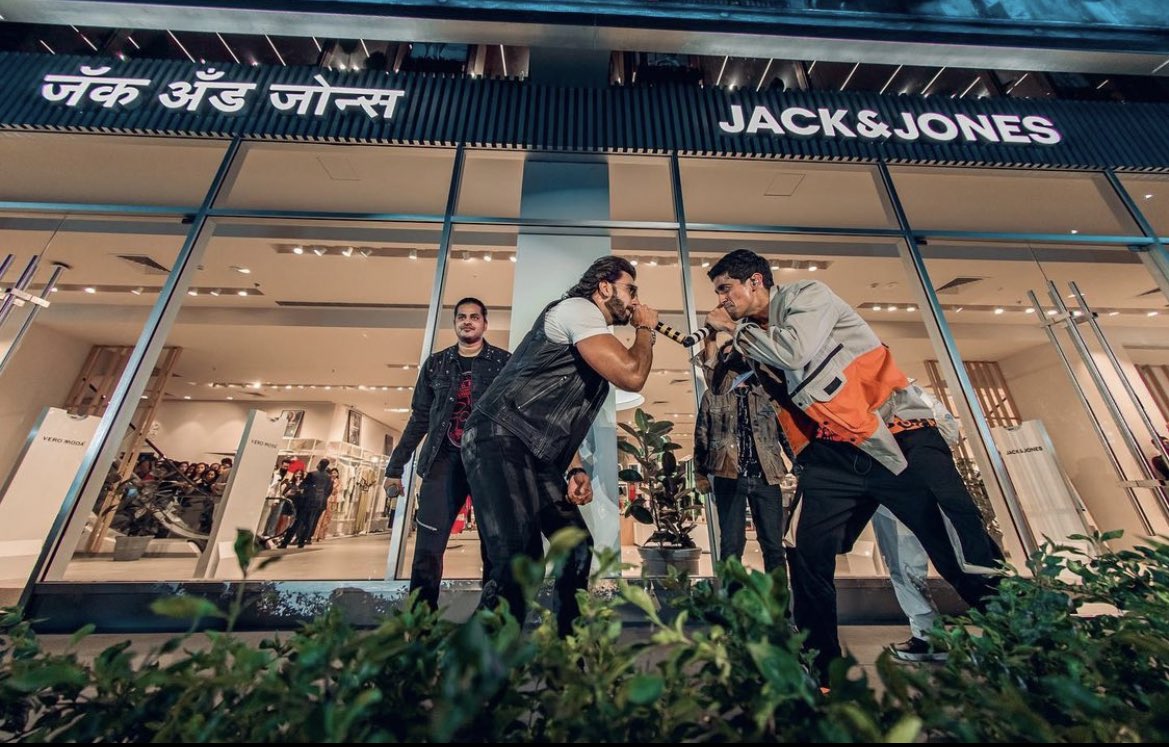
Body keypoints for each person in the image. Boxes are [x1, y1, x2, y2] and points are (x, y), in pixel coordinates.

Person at [704, 248, 1002, 684]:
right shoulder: (752, 332)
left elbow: (794, 351)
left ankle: (1033, 646)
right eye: (718, 293)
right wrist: (714, 343)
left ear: (755, 282)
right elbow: (720, 379)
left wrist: (732, 329)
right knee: (804, 551)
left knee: (959, 552)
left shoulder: (809, 295)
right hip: (834, 456)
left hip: (898, 439)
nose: (722, 300)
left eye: (725, 289)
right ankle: (819, 670)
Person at [462, 256, 658, 635]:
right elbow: (633, 375)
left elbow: (559, 412)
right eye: (630, 289)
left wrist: (575, 466)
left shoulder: (591, 330)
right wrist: (645, 330)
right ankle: (470, 672)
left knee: (577, 548)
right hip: (499, 436)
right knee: (520, 561)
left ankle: (568, 650)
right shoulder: (578, 310)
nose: (635, 299)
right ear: (604, 286)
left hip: (534, 452)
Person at [382, 297, 510, 610]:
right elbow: (419, 418)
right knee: (427, 548)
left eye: (474, 317)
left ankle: (492, 623)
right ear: (455, 323)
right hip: (442, 461)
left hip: (488, 464)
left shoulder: (503, 363)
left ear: (484, 323)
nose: (468, 321)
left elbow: (514, 416)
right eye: (462, 317)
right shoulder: (436, 364)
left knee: (496, 549)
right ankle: (420, 622)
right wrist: (394, 467)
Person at [693, 338, 790, 574]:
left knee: (773, 545)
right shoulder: (713, 396)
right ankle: (732, 605)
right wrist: (700, 474)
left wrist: (800, 465)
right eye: (729, 356)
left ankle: (776, 606)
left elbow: (785, 434)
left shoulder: (768, 394)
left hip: (766, 475)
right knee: (731, 544)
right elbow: (702, 435)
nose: (736, 360)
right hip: (728, 474)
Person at [280, 459, 333, 549]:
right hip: (318, 502)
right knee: (309, 522)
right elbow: (327, 490)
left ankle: (285, 542)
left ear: (319, 464)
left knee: (298, 521)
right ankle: (301, 542)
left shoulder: (312, 474)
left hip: (306, 500)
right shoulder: (328, 477)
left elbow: (303, 485)